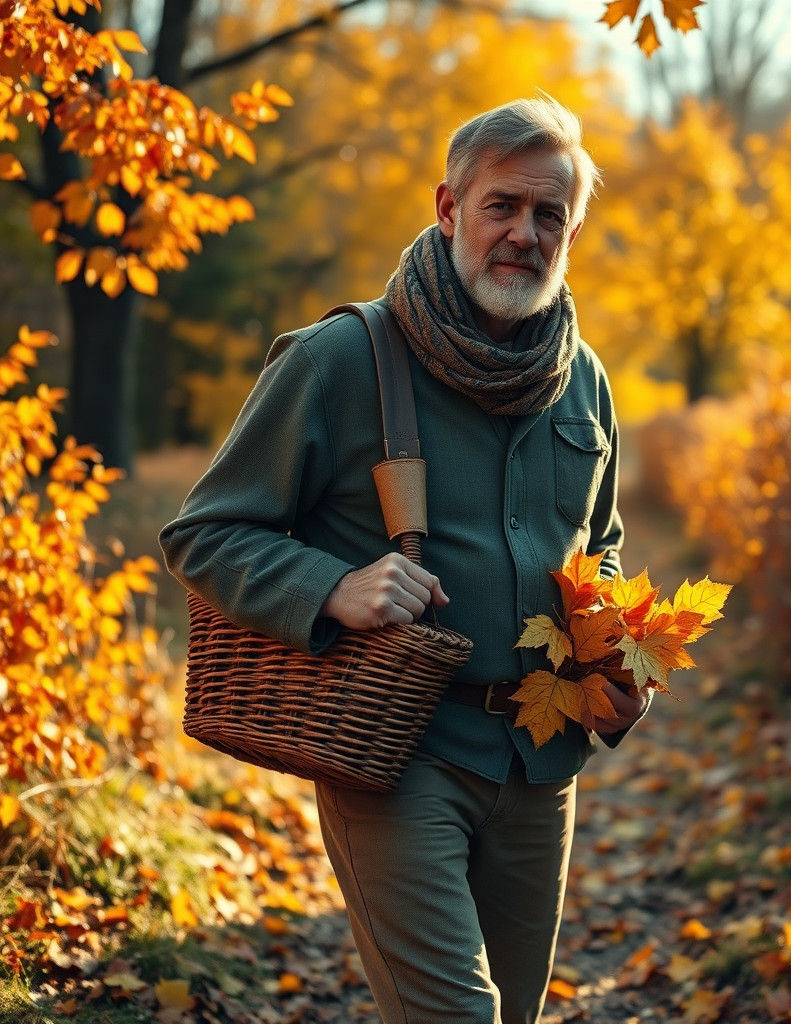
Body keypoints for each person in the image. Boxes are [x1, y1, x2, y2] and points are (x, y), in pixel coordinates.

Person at [160, 96, 649, 1024]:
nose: (524, 234)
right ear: (447, 207)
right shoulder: (342, 358)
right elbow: (204, 534)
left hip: (542, 764)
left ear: (572, 230)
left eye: (550, 216)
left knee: (514, 1015)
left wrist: (613, 648)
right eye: (502, 205)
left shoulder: (584, 379)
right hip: (394, 752)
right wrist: (332, 588)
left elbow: (603, 547)